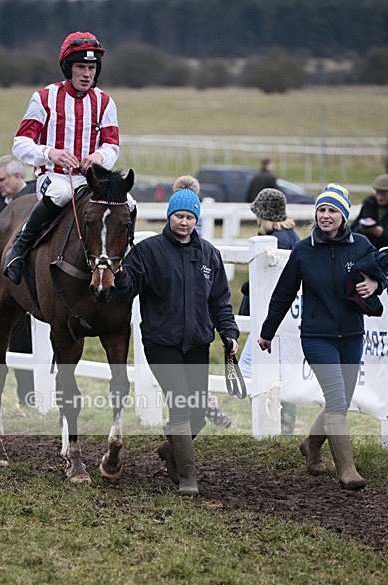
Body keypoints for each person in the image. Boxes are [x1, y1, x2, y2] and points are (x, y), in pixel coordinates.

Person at [114, 176, 240, 497]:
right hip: (161, 343)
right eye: (178, 216)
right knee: (182, 405)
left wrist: (229, 333)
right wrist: (118, 274)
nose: (184, 222)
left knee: (197, 415)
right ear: (169, 216)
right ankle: (187, 477)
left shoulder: (209, 255)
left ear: (196, 219)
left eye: (189, 217)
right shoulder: (148, 252)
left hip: (198, 343)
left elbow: (220, 301)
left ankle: (172, 451)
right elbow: (127, 289)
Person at [257, 183, 383, 491]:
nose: (326, 216)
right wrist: (267, 332)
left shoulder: (361, 245)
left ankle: (311, 446)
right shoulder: (303, 250)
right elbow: (283, 293)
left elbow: (381, 271)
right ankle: (348, 471)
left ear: (343, 215)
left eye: (332, 210)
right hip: (317, 336)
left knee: (338, 401)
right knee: (337, 400)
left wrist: (376, 285)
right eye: (321, 210)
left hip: (352, 335)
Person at [4, 31, 135, 285]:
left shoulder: (106, 102)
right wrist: (49, 153)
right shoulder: (43, 98)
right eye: (81, 67)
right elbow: (20, 144)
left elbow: (112, 145)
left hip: (90, 181)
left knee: (128, 203)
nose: (87, 74)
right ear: (68, 68)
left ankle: (124, 261)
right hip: (52, 177)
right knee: (61, 194)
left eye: (91, 67)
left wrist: (98, 156)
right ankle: (19, 249)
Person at [238, 187, 300, 434]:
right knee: (276, 371)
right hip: (282, 318)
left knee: (259, 371)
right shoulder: (290, 237)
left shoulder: (276, 241)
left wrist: (248, 287)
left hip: (273, 318)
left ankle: (275, 426)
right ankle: (279, 426)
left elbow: (274, 284)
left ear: (264, 214)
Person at [0, 155, 37, 407]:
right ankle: (26, 397)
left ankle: (30, 397)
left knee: (25, 340)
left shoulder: (35, 196)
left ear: (18, 176)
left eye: (2, 180)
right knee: (16, 338)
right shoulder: (4, 201)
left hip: (27, 277)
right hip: (9, 280)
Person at [350, 173, 388, 250]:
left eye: (383, 193)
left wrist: (382, 233)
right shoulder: (369, 204)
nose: (379, 197)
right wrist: (363, 228)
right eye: (378, 192)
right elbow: (352, 230)